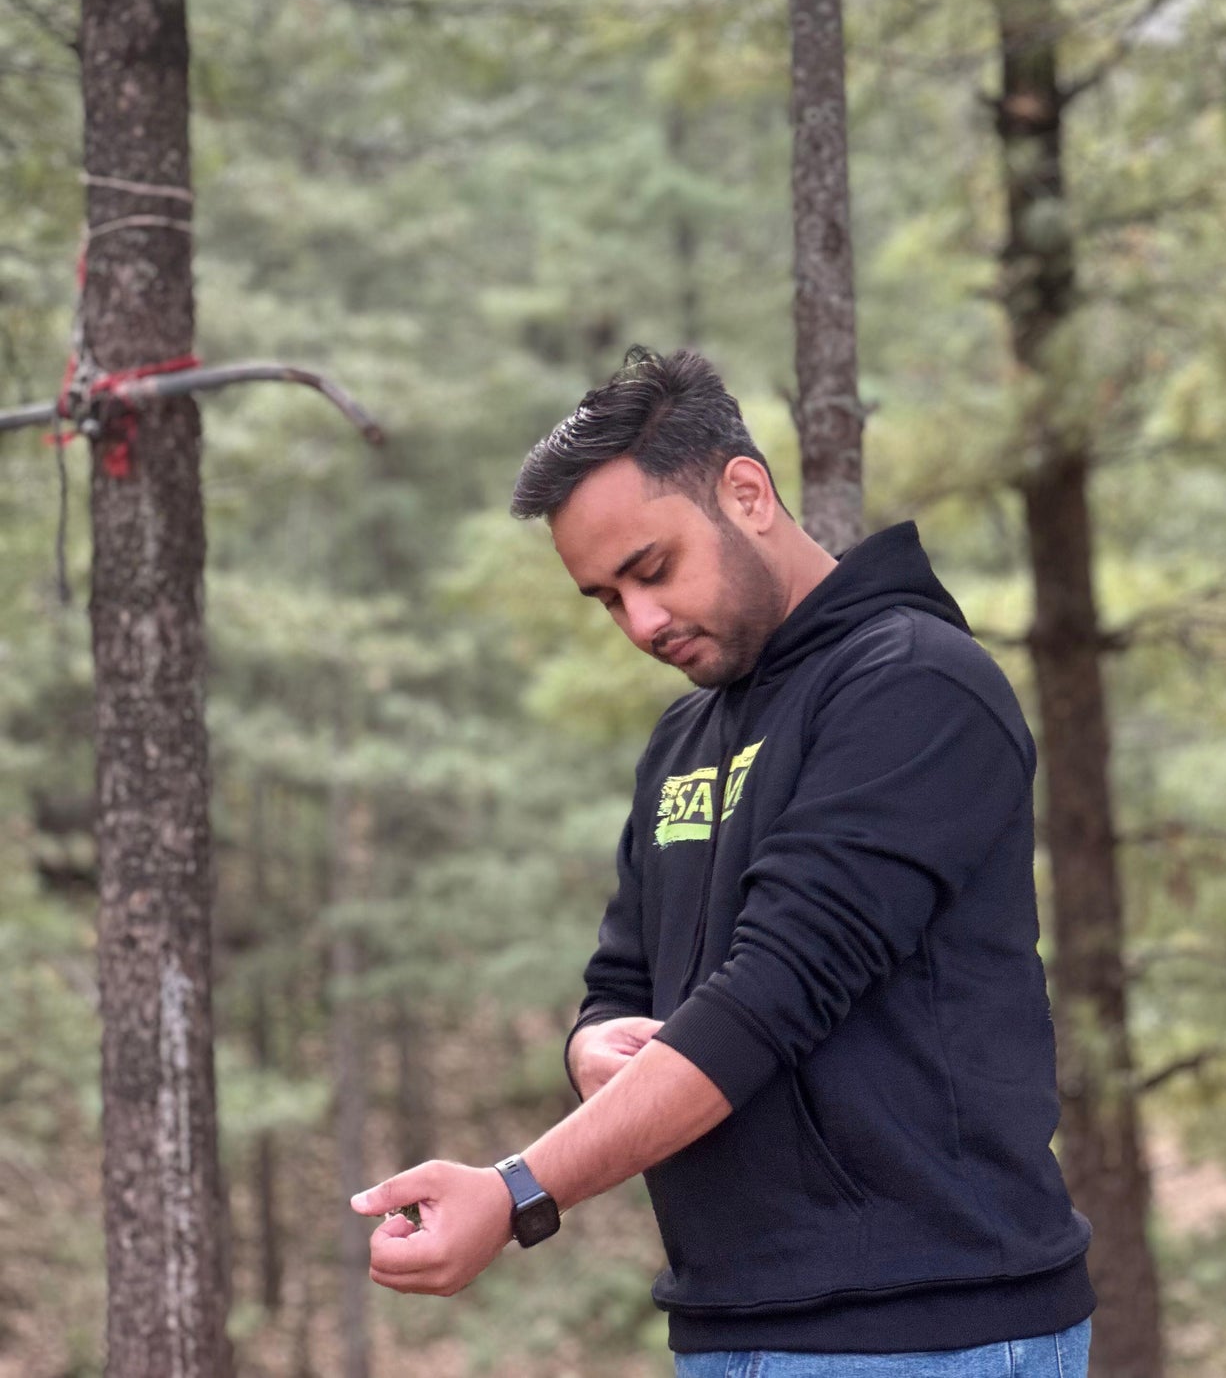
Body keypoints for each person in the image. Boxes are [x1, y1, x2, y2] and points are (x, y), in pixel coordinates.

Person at [351, 348, 1094, 1377]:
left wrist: (519, 1190)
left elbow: (770, 997)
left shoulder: (915, 687)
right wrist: (594, 1045)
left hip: (930, 1330)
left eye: (651, 569)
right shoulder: (685, 737)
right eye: (605, 598)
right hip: (733, 1324)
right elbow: (619, 979)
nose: (641, 622)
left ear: (745, 492)